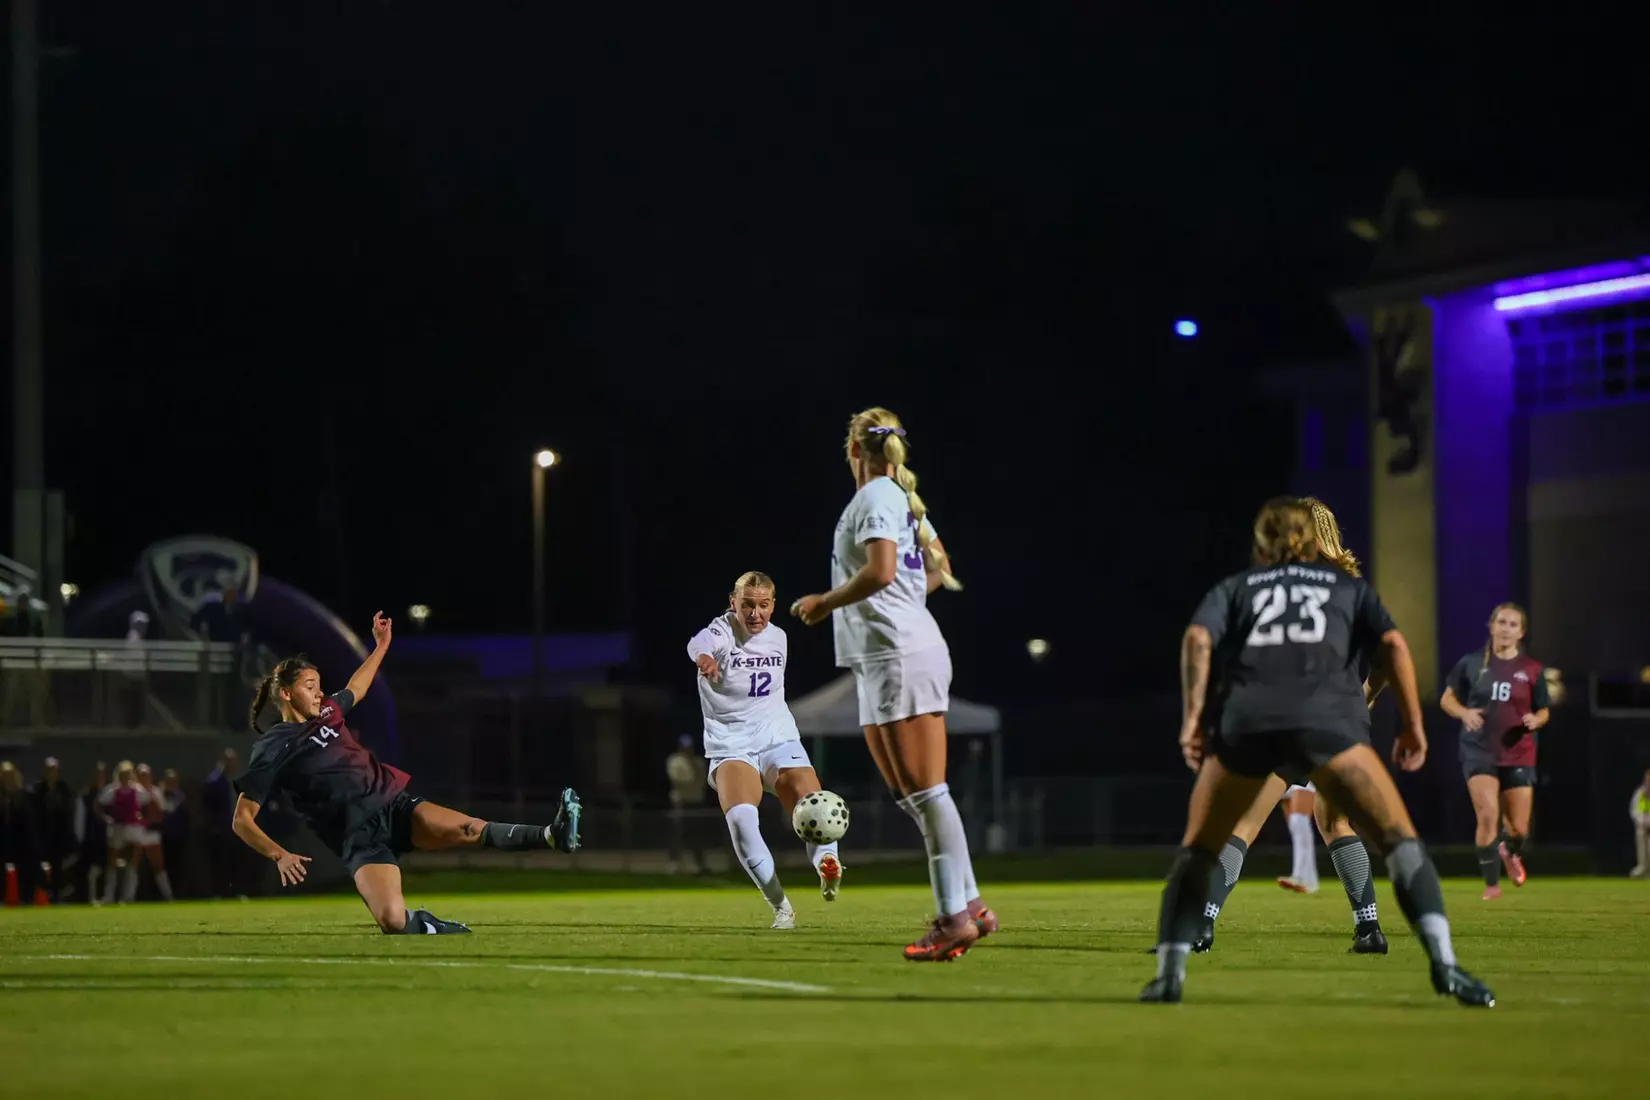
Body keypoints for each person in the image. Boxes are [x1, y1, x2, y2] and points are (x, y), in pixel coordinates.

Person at [1141, 496, 1492, 1006]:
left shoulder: (1237, 587)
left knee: (1209, 843)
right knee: (1393, 839)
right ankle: (1442, 963)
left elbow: (1198, 638)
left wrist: (1193, 719)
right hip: (1332, 725)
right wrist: (1413, 726)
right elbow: (1393, 646)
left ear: (1262, 541)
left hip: (1254, 724)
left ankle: (1173, 970)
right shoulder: (1347, 587)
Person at [232, 611, 583, 935]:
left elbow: (358, 686)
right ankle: (431, 926)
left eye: (319, 684)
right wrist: (280, 853)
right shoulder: (274, 747)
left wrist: (381, 645)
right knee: (393, 921)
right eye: (310, 686)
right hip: (359, 837)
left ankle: (552, 834)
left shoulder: (327, 711)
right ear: (286, 693)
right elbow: (242, 819)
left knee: (470, 828)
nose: (319, 692)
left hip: (393, 806)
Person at [792, 407, 996, 961]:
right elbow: (935, 568)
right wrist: (899, 598)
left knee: (928, 794)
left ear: (853, 450)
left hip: (900, 654)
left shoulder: (878, 497)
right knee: (912, 796)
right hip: (883, 655)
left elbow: (883, 570)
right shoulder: (899, 499)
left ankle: (954, 918)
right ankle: (972, 905)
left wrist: (824, 602)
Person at [1192, 498, 1389, 955]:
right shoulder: (1349, 587)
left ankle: (1202, 925)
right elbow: (1385, 655)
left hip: (1287, 717)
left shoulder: (1276, 585)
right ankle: (1369, 928)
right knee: (1336, 821)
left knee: (1244, 821)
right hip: (1339, 720)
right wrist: (1365, 696)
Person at [690, 572, 843, 927]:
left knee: (811, 802)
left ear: (773, 605)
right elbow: (698, 642)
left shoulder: (779, 638)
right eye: (747, 605)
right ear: (733, 603)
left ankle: (827, 865)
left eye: (763, 605)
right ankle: (781, 907)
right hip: (730, 743)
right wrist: (704, 659)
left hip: (777, 736)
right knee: (743, 821)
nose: (755, 613)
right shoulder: (722, 631)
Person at [1440, 603, 1550, 900]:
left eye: (1513, 624)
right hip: (1479, 751)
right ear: (1491, 626)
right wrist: (1464, 713)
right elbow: (1447, 699)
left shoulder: (1532, 670)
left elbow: (1543, 711)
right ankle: (1491, 884)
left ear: (1521, 632)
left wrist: (1535, 720)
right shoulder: (1471, 663)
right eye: (1501, 622)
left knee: (1518, 829)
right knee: (1488, 814)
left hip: (1518, 753)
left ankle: (1509, 850)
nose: (1505, 628)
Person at [97, 761, 148, 904]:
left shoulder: (138, 791)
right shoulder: (112, 791)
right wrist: (107, 819)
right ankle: (109, 896)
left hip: (133, 830)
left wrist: (142, 819)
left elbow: (148, 805)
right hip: (117, 829)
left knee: (132, 862)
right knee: (112, 862)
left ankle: (129, 895)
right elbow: (99, 805)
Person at [30, 756, 76, 901]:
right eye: (49, 770)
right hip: (42, 835)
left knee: (58, 867)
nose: (52, 773)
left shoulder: (64, 790)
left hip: (59, 836)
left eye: (54, 770)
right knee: (41, 868)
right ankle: (41, 894)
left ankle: (57, 894)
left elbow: (68, 813)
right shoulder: (37, 791)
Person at [131, 764, 175, 901]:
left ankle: (168, 896)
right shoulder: (133, 791)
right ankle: (128, 896)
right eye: (141, 775)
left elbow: (162, 812)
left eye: (147, 775)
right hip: (137, 832)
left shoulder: (156, 792)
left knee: (158, 865)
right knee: (133, 864)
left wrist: (154, 815)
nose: (144, 778)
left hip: (152, 833)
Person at [665, 735, 708, 875]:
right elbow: (679, 779)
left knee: (697, 834)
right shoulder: (675, 762)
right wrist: (691, 779)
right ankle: (675, 863)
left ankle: (700, 863)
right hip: (682, 802)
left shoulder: (698, 762)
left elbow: (702, 780)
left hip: (696, 801)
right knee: (678, 833)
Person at [73, 762, 109, 903]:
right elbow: (79, 821)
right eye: (97, 775)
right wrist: (80, 840)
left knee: (103, 869)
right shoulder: (85, 796)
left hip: (107, 839)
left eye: (102, 775)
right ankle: (90, 897)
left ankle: (105, 897)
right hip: (90, 840)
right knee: (90, 871)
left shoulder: (110, 793)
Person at [1630, 769, 1650, 878]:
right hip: (1642, 825)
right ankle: (1642, 868)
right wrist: (1640, 821)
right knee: (1641, 841)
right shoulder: (1639, 793)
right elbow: (1634, 809)